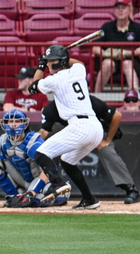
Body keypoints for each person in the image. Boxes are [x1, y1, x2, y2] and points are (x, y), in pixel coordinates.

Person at [21, 45, 104, 208]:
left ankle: (58, 183)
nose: (50, 64)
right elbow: (77, 61)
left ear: (62, 62)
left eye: (53, 62)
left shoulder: (55, 79)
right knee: (67, 161)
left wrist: (41, 65)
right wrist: (58, 57)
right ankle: (89, 199)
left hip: (80, 126)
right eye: (49, 61)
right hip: (95, 127)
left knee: (40, 153)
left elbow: (33, 87)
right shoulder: (78, 69)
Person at [40, 94, 140, 204]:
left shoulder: (87, 100)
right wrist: (32, 143)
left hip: (99, 132)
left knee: (106, 151)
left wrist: (107, 140)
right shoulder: (52, 108)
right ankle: (84, 197)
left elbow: (117, 115)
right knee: (61, 157)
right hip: (78, 135)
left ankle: (130, 189)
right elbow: (44, 131)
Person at [0, 110, 66, 208]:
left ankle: (55, 195)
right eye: (10, 122)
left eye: (17, 121)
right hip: (21, 179)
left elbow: (47, 170)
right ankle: (15, 196)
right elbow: (3, 164)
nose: (13, 125)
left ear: (25, 124)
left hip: (38, 179)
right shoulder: (3, 140)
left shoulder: (33, 142)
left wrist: (33, 192)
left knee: (35, 201)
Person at [93, 0, 140, 92]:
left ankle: (134, 98)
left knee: (127, 64)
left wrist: (129, 53)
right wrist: (106, 54)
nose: (120, 10)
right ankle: (95, 96)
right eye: (118, 8)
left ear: (129, 10)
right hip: (110, 59)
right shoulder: (106, 27)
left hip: (130, 60)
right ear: (114, 11)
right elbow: (95, 47)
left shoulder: (137, 27)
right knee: (107, 63)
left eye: (123, 7)